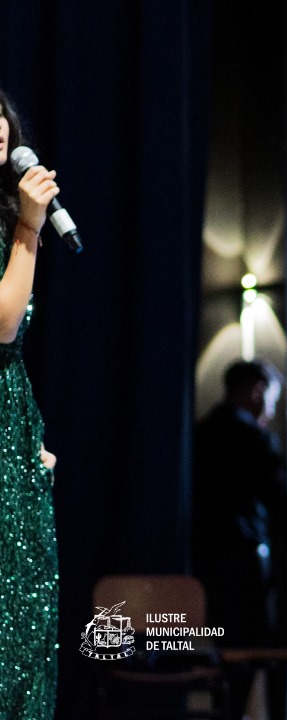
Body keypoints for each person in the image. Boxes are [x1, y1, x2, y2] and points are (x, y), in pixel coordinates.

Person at [0, 88, 60, 720]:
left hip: (13, 433)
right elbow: (3, 323)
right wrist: (29, 227)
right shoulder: (18, 228)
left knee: (25, 625)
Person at [192, 359, 287, 720]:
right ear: (255, 392)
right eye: (270, 398)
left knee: (225, 649)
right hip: (248, 560)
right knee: (257, 648)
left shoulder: (199, 432)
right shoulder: (255, 439)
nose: (270, 408)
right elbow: (278, 504)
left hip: (204, 558)